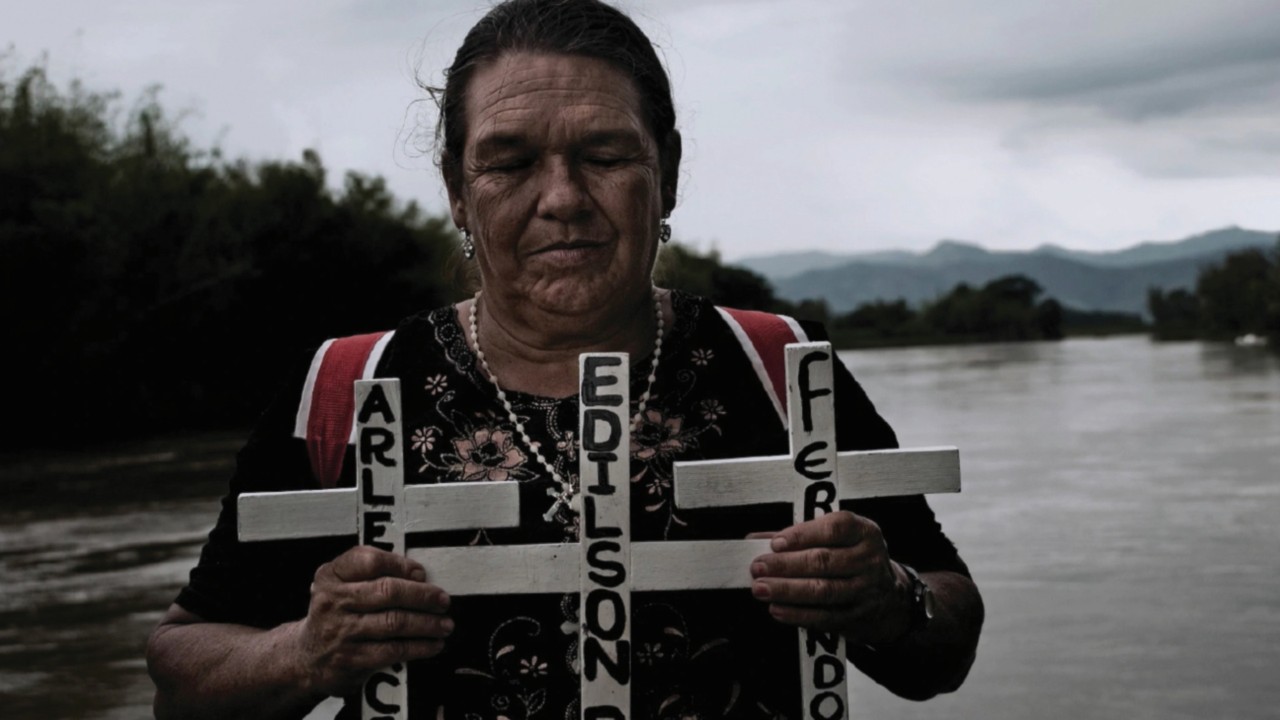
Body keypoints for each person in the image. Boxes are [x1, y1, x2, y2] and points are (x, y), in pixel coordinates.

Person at [145, 1, 984, 717]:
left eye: (606, 156)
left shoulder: (779, 368)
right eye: (509, 163)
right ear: (456, 193)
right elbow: (181, 672)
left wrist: (887, 601)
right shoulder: (351, 390)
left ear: (670, 172)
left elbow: (947, 640)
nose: (561, 200)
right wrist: (307, 653)